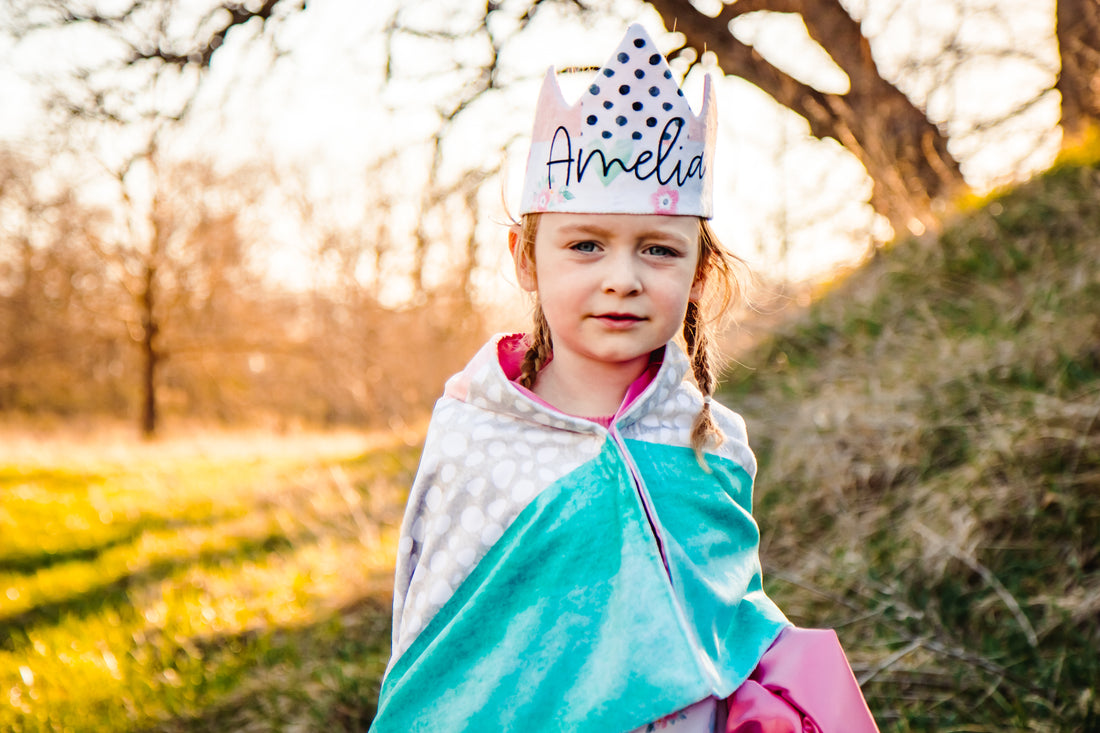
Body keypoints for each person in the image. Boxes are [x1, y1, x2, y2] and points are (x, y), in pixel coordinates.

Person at [370, 23, 879, 733]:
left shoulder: (714, 443)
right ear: (525, 257)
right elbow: (442, 653)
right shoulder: (475, 439)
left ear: (699, 273)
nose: (623, 279)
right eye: (585, 244)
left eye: (658, 250)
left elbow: (729, 617)